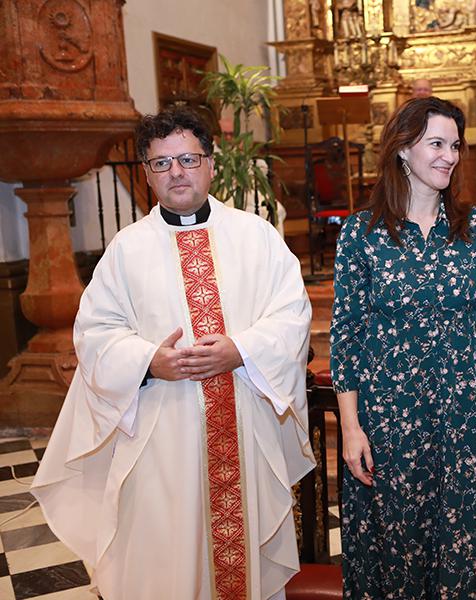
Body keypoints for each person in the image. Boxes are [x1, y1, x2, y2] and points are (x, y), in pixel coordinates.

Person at [32, 107, 315, 600]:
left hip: (242, 426)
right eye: (161, 163)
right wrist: (148, 361)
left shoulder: (257, 237)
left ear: (211, 163)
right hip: (161, 434)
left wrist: (240, 349)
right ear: (147, 174)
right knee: (166, 559)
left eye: (187, 158)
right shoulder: (126, 249)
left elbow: (292, 314)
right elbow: (95, 332)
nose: (176, 172)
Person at [330, 97, 476, 598]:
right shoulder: (362, 232)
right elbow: (346, 333)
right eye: (436, 143)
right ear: (402, 150)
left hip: (467, 412)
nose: (449, 155)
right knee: (399, 540)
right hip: (392, 416)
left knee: (467, 538)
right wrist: (349, 428)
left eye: (454, 145)